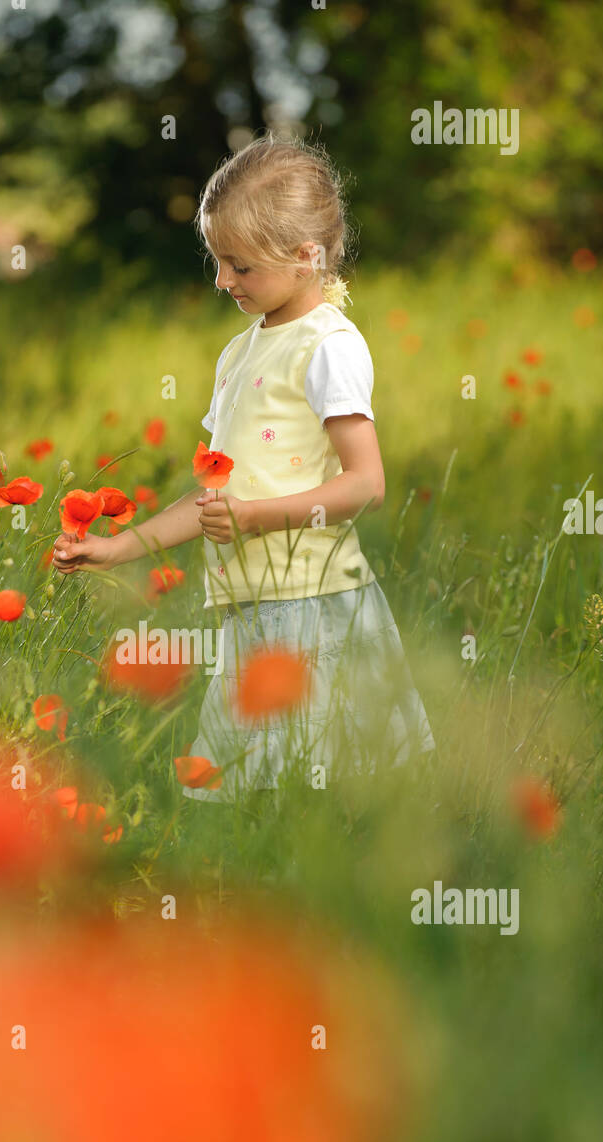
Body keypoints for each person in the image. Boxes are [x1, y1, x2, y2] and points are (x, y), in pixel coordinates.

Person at [52, 132, 435, 803]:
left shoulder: (327, 348)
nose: (222, 280)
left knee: (326, 783)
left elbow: (365, 484)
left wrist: (255, 518)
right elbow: (212, 499)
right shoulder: (239, 354)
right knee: (258, 790)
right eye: (216, 260)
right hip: (252, 609)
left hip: (314, 605)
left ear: (304, 256)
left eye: (240, 266)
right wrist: (116, 548)